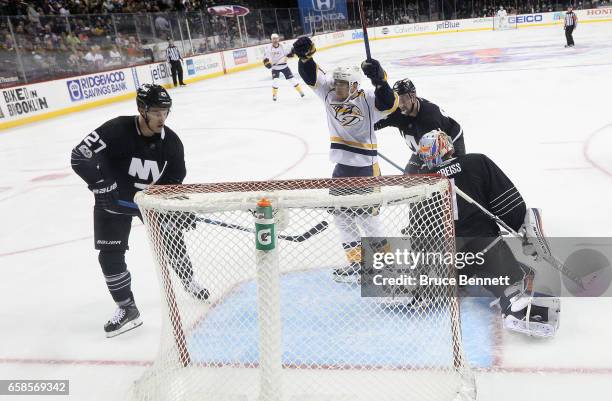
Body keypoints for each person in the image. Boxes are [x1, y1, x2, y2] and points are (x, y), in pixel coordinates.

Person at [71, 84, 209, 338]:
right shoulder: (116, 130)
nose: (162, 118)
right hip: (113, 201)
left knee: (172, 240)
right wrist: (102, 187)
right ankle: (127, 308)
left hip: (149, 201)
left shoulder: (172, 144)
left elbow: (174, 181)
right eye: (156, 111)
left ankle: (188, 280)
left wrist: (178, 205)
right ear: (141, 109)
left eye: (165, 111)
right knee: (109, 255)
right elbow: (79, 156)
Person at [416, 129, 560, 337]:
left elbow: (421, 229)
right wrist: (521, 228)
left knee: (463, 274)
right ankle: (514, 300)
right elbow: (506, 201)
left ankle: (429, 289)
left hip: (450, 256)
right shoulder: (476, 162)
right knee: (508, 282)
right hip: (485, 245)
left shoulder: (422, 182)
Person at [292, 36, 398, 282]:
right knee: (341, 216)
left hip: (365, 169)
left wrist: (381, 81)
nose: (338, 88)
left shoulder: (368, 99)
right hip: (341, 168)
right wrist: (305, 56)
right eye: (337, 83)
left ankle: (387, 267)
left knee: (367, 220)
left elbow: (389, 103)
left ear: (355, 86)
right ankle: (357, 263)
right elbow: (311, 76)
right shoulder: (329, 91)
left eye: (343, 85)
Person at [374, 78, 465, 173]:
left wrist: (425, 171)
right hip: (424, 147)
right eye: (397, 99)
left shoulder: (430, 117)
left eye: (404, 99)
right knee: (409, 176)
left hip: (450, 143)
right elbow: (374, 124)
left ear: (413, 96)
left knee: (448, 173)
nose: (400, 104)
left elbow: (440, 153)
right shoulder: (397, 111)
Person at [263, 33, 304, 101]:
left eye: (276, 38)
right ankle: (274, 95)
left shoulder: (283, 46)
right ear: (271, 40)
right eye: (273, 39)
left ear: (278, 39)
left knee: (292, 80)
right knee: (275, 81)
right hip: (275, 68)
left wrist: (291, 54)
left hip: (284, 66)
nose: (275, 40)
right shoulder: (268, 48)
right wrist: (266, 63)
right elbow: (265, 58)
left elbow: (290, 53)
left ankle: (301, 92)